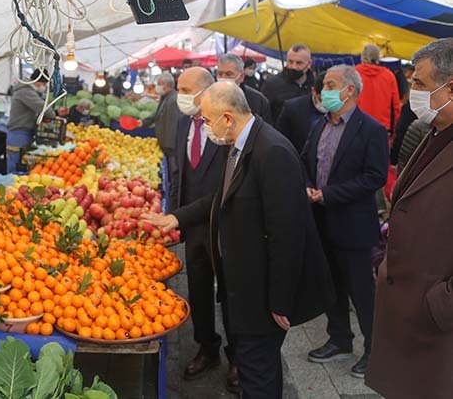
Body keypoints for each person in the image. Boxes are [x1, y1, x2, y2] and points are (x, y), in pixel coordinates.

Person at [145, 81, 332, 398]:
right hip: (242, 285)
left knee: (258, 371)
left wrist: (281, 301)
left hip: (262, 295)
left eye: (206, 120)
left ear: (228, 118)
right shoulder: (241, 145)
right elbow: (220, 198)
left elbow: (288, 233)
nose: (204, 127)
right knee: (253, 367)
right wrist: (176, 217)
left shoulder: (272, 152)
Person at [366, 39, 453, 399]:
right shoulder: (433, 131)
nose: (410, 93)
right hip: (409, 310)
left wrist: (441, 305)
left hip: (436, 323)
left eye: (419, 84)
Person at [301, 65, 389, 379]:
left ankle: (374, 350)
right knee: (331, 287)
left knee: (362, 292)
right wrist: (308, 186)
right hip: (322, 222)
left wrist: (329, 194)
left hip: (352, 225)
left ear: (348, 90)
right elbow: (306, 160)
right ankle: (339, 338)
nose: (323, 90)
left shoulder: (371, 130)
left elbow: (375, 177)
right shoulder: (319, 125)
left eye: (329, 84)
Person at [167, 67, 239, 391]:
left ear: (204, 92)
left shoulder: (225, 124)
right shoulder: (183, 122)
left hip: (224, 225)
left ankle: (238, 357)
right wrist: (174, 217)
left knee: (231, 292)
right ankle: (206, 346)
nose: (178, 94)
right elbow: (179, 173)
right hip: (192, 226)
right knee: (197, 289)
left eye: (184, 88)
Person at [7, 69, 57, 173]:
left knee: (21, 163)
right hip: (19, 133)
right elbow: (43, 108)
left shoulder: (28, 91)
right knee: (17, 165)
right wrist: (54, 114)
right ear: (37, 81)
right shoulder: (26, 92)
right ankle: (11, 187)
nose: (44, 86)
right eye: (43, 83)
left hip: (23, 132)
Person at [138, 72, 182, 183]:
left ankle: (174, 194)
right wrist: (143, 122)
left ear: (167, 86)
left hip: (171, 148)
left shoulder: (173, 100)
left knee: (174, 174)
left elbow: (173, 126)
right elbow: (157, 114)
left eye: (159, 84)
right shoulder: (165, 97)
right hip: (166, 146)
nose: (157, 86)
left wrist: (169, 147)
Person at [355, 44, 402, 135]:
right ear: (378, 58)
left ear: (362, 57)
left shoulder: (353, 74)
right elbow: (395, 106)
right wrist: (393, 131)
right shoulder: (389, 76)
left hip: (358, 128)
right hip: (383, 129)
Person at [275, 72, 327, 154]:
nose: (326, 104)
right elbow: (280, 140)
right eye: (322, 99)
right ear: (313, 91)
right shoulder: (292, 108)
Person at [261, 44, 314, 122]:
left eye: (299, 63)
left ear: (309, 63)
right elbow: (262, 115)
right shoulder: (271, 85)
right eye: (290, 61)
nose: (293, 66)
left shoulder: (315, 85)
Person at [216, 53, 272, 123]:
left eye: (229, 74)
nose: (223, 77)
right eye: (220, 74)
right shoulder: (209, 97)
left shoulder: (259, 101)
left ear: (241, 76)